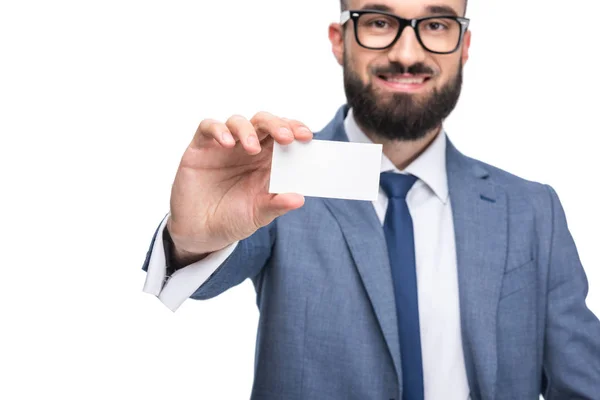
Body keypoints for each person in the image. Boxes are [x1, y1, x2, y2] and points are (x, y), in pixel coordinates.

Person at [141, 0, 600, 398]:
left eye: (437, 25)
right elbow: (200, 278)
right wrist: (191, 237)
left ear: (464, 46)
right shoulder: (273, 181)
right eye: (379, 22)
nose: (406, 53)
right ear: (340, 40)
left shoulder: (532, 210)